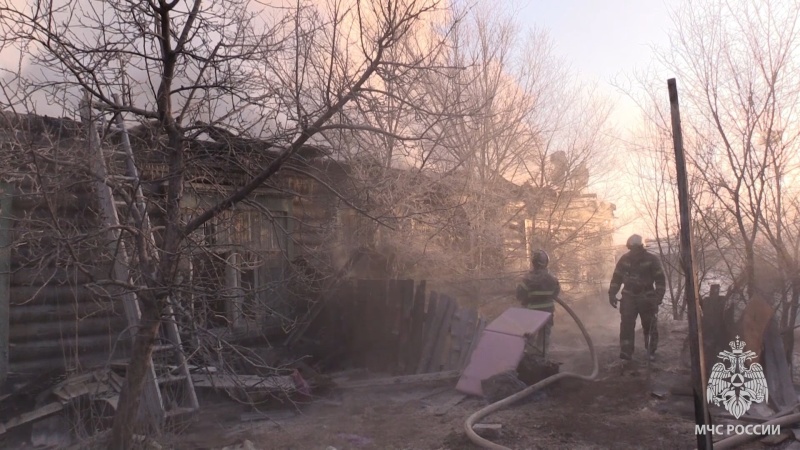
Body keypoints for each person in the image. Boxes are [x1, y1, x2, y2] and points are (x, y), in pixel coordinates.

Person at [608, 234, 666, 362]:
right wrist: (612, 294)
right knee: (626, 326)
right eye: (632, 248)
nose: (634, 251)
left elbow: (660, 280)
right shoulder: (624, 259)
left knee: (649, 326)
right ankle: (626, 352)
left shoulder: (652, 260)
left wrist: (658, 297)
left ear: (641, 247)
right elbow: (616, 278)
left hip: (647, 297)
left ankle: (651, 351)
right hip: (628, 297)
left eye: (636, 248)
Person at [516, 249, 560, 358]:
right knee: (544, 339)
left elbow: (519, 295)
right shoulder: (552, 279)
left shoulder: (528, 279)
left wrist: (527, 299)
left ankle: (526, 357)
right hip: (547, 314)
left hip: (532, 313)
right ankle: (542, 359)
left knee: (528, 336)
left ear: (533, 263)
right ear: (546, 263)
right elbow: (556, 293)